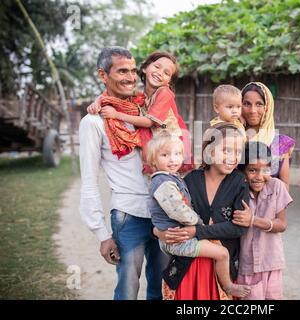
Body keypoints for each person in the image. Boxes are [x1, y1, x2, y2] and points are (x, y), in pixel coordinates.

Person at [79, 46, 168, 300]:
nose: (130, 77)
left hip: (163, 211)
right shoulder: (94, 122)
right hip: (129, 215)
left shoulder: (145, 110)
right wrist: (102, 234)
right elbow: (89, 182)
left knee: (162, 289)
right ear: (103, 75)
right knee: (128, 291)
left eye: (132, 70)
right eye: (122, 71)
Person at [154, 123, 252, 300]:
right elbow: (166, 213)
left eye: (238, 152)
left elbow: (239, 228)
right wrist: (157, 231)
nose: (233, 157)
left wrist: (197, 231)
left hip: (220, 268)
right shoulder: (191, 179)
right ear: (210, 151)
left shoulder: (239, 182)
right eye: (226, 150)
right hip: (187, 265)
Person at [87, 51, 192, 173]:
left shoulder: (165, 93)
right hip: (159, 144)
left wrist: (116, 115)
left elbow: (148, 122)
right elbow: (112, 97)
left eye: (167, 73)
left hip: (171, 144)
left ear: (168, 81)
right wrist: (97, 102)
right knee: (157, 180)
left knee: (170, 181)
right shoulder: (141, 93)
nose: (160, 73)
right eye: (157, 67)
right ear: (145, 68)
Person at [234, 141, 293, 300]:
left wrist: (253, 220)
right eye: (252, 170)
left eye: (265, 170)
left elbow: (282, 224)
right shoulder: (237, 190)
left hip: (271, 261)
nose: (259, 176)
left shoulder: (277, 187)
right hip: (247, 265)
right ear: (242, 171)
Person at [241, 82, 296, 186]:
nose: (253, 110)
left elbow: (284, 187)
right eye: (247, 104)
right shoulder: (231, 138)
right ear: (240, 105)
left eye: (259, 104)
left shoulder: (279, 143)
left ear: (268, 107)